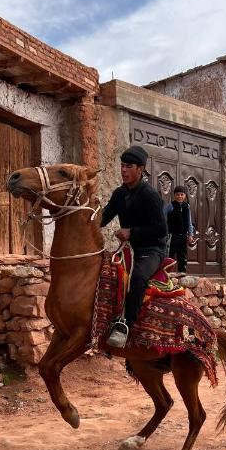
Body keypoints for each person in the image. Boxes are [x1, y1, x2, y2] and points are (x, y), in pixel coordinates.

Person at [101, 145, 167, 348]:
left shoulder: (150, 195)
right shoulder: (119, 194)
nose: (123, 170)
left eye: (128, 166)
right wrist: (86, 221)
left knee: (137, 278)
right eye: (122, 166)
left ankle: (125, 325)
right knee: (104, 272)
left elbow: (161, 230)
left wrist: (131, 232)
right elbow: (104, 217)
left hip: (151, 250)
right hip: (128, 250)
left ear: (140, 169)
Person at [164, 186, 195, 273]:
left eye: (182, 194)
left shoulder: (187, 206)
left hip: (183, 236)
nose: (180, 196)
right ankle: (167, 275)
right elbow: (162, 217)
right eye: (178, 195)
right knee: (170, 256)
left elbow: (189, 222)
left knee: (182, 256)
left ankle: (182, 275)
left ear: (185, 196)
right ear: (174, 195)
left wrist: (190, 234)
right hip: (172, 236)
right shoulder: (170, 206)